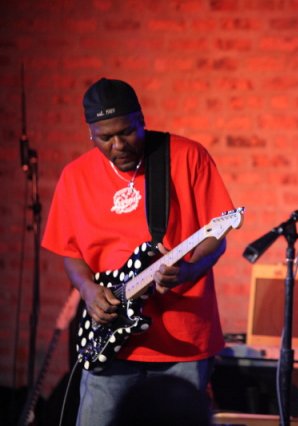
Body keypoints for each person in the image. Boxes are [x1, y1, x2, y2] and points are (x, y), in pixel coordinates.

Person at [42, 78, 235, 426]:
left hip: (184, 343)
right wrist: (88, 291)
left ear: (142, 119)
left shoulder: (187, 156)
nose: (119, 145)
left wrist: (190, 271)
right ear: (91, 134)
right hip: (109, 343)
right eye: (105, 137)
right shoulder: (75, 176)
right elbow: (69, 251)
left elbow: (216, 234)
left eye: (127, 132)